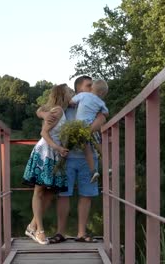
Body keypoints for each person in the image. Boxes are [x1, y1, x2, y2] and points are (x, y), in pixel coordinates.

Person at [37, 75, 107, 244]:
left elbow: (103, 117)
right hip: (66, 156)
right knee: (63, 194)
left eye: (93, 86)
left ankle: (81, 233)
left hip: (88, 157)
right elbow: (41, 109)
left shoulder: (95, 105)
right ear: (78, 90)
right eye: (88, 85)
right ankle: (60, 232)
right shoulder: (65, 105)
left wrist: (85, 131)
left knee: (86, 195)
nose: (92, 89)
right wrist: (43, 114)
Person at [22, 84, 73, 245]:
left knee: (50, 193)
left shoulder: (60, 110)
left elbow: (40, 111)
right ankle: (39, 231)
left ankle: (32, 225)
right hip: (45, 153)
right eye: (70, 91)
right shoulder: (57, 110)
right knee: (39, 191)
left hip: (54, 155)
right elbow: (44, 133)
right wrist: (58, 147)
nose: (73, 93)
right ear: (63, 94)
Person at [69, 79, 109, 183]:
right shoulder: (100, 102)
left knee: (87, 151)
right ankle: (109, 166)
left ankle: (93, 171)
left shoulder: (82, 95)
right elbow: (106, 113)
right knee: (100, 147)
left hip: (79, 127)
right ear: (102, 93)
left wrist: (74, 105)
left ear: (92, 88)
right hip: (91, 126)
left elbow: (71, 102)